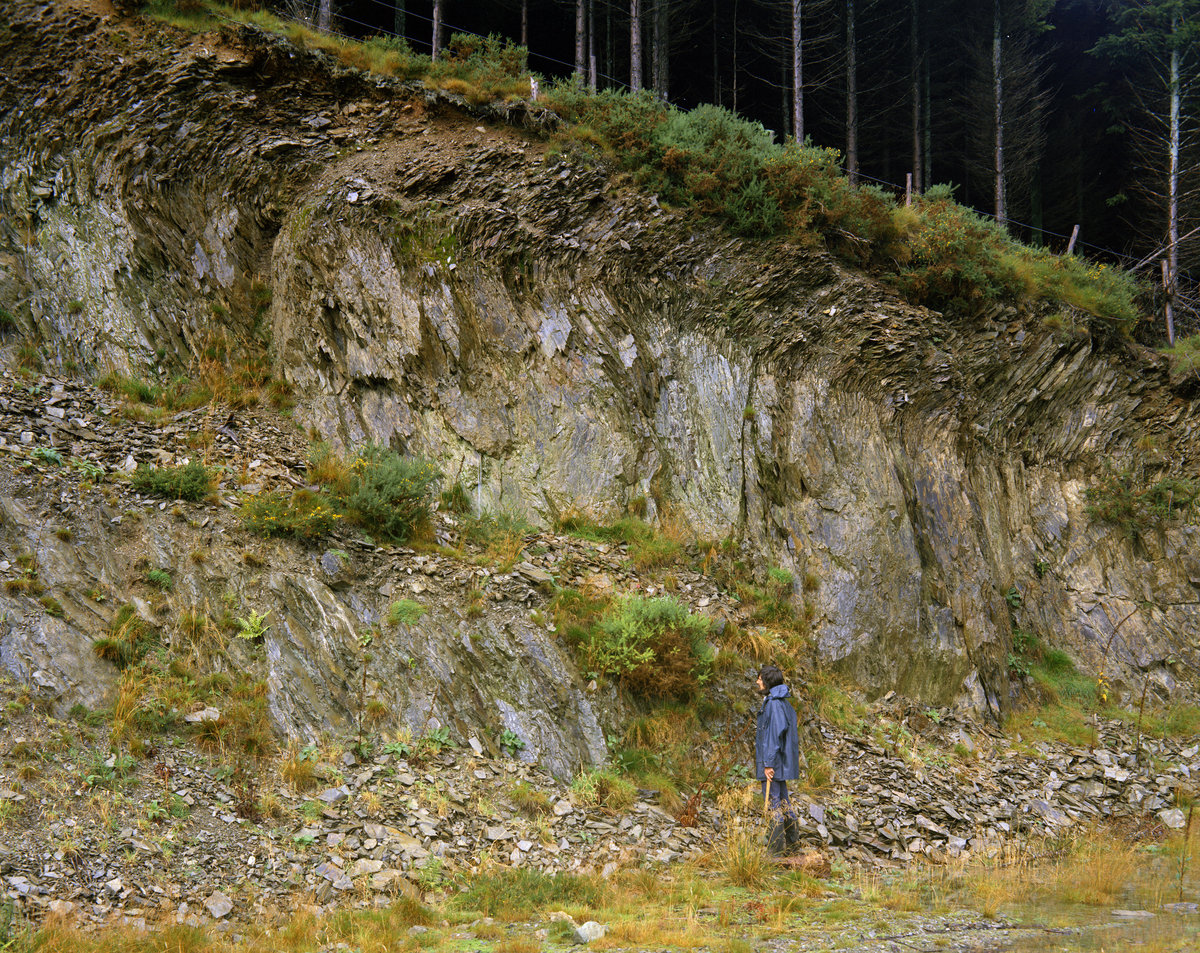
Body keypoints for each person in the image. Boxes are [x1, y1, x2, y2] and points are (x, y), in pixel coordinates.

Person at [755, 664, 801, 856]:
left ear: (767, 682)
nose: (757, 682)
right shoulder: (782, 702)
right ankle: (792, 845)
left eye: (759, 678)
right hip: (781, 763)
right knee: (784, 802)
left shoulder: (774, 703)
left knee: (774, 803)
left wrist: (768, 764)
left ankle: (774, 853)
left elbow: (774, 736)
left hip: (774, 764)